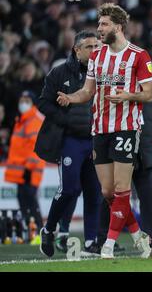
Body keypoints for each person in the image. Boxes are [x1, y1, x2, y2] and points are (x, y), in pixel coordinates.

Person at [49, 3, 152, 259]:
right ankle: (140, 238)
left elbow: (149, 94)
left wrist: (128, 95)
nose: (99, 30)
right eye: (99, 25)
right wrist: (71, 98)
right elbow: (88, 91)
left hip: (127, 128)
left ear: (118, 26)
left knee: (120, 188)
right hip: (100, 129)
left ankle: (108, 244)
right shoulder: (97, 57)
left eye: (103, 24)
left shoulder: (139, 55)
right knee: (108, 192)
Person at [35, 30, 102, 257]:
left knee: (94, 192)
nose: (95, 51)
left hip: (93, 140)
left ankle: (92, 242)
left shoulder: (102, 73)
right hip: (71, 140)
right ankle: (49, 229)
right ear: (77, 50)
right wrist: (65, 119)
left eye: (97, 46)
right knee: (69, 189)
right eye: (90, 47)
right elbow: (43, 102)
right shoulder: (59, 72)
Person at [96, 93, 152, 255]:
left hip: (145, 150)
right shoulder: (117, 85)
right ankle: (102, 239)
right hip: (121, 149)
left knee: (149, 199)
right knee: (111, 194)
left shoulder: (147, 87)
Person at [4, 91, 45, 244]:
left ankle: (40, 233)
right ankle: (31, 234)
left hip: (29, 171)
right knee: (25, 204)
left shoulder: (33, 120)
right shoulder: (21, 120)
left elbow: (35, 147)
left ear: (32, 102)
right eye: (22, 100)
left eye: (27, 100)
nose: (23, 103)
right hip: (22, 172)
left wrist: (29, 168)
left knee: (31, 204)